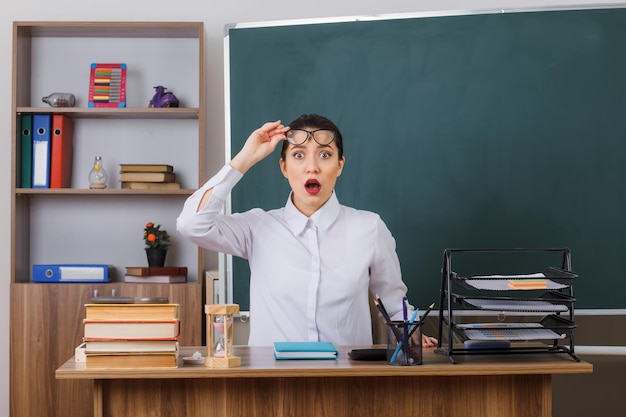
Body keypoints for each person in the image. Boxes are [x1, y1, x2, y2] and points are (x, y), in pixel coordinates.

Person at [177, 114, 437, 347]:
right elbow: (191, 224)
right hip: (272, 387)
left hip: (349, 385)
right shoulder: (257, 227)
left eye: (324, 155)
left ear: (340, 165)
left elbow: (394, 307)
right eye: (298, 155)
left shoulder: (369, 228)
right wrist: (245, 158)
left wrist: (411, 333)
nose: (312, 167)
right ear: (284, 167)